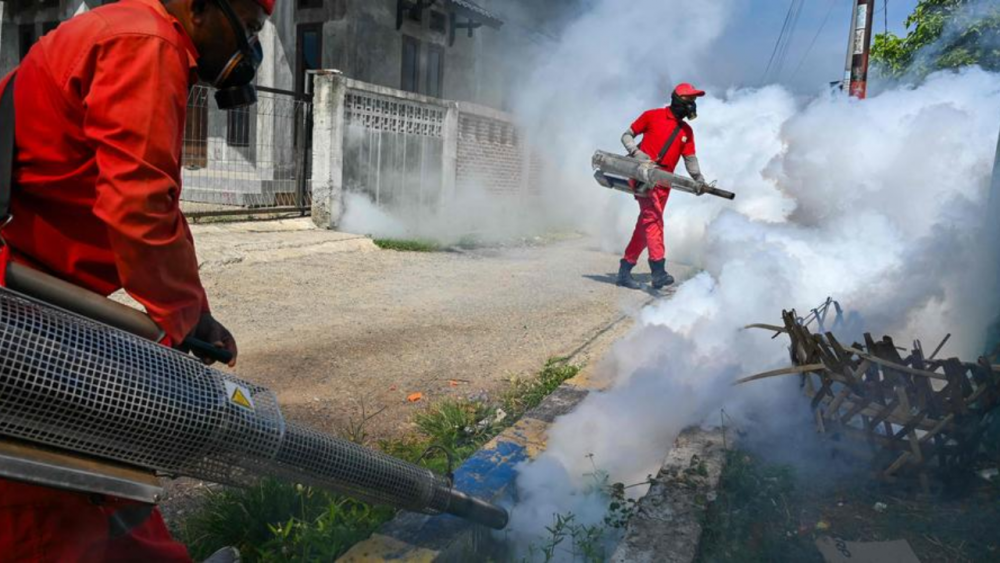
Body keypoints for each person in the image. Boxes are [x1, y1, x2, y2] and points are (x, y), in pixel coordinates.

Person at [0, 0, 274, 560]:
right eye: (248, 28)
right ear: (201, 9)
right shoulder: (148, 43)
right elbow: (139, 207)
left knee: (95, 453)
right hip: (19, 291)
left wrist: (193, 308)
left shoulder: (121, 30)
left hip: (35, 285)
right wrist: (183, 316)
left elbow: (157, 203)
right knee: (54, 478)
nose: (250, 51)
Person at [616, 83, 708, 290]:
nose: (692, 105)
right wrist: (637, 154)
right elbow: (626, 136)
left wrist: (699, 178)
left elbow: (690, 158)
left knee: (645, 226)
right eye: (690, 101)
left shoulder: (687, 131)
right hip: (643, 177)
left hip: (664, 182)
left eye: (694, 101)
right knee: (654, 221)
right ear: (678, 100)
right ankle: (658, 271)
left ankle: (625, 269)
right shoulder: (652, 116)